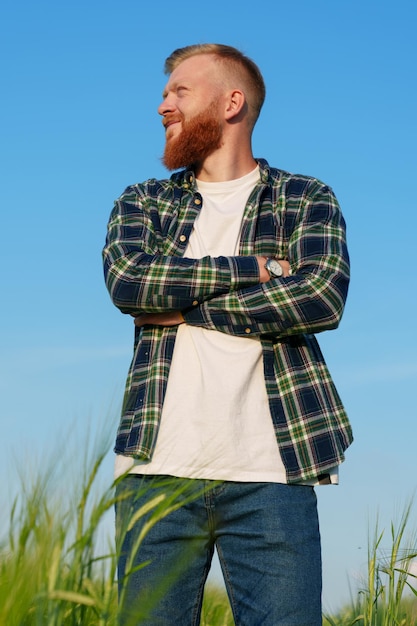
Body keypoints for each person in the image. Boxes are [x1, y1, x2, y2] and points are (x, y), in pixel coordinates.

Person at [103, 43, 353, 626]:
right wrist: (257, 269)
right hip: (155, 474)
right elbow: (131, 284)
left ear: (231, 102)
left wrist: (186, 309)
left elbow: (319, 297)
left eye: (179, 92)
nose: (163, 104)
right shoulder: (143, 201)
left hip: (273, 473)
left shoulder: (305, 198)